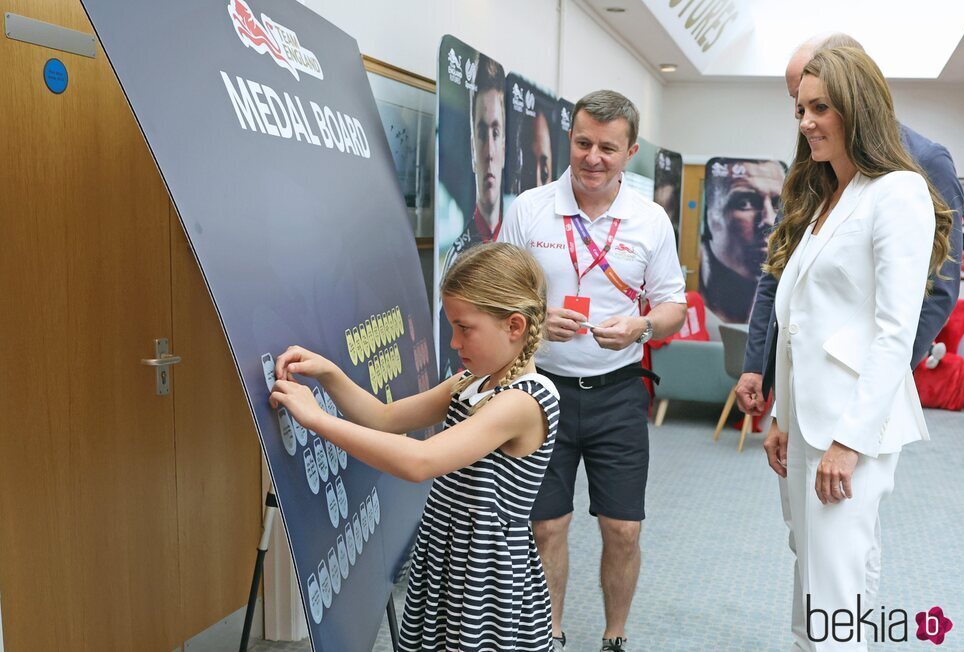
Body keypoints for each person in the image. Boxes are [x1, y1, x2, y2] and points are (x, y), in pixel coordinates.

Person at [733, 35, 963, 648]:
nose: (805, 122)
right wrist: (780, 412)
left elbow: (894, 331)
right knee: (816, 580)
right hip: (808, 420)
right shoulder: (827, 197)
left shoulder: (899, 192)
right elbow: (796, 310)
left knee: (835, 593)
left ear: (858, 107)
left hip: (850, 428)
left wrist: (849, 441)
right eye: (800, 108)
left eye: (820, 108)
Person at [270, 243, 559, 651]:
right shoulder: (470, 382)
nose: (455, 343)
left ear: (514, 326)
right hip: (447, 552)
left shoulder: (524, 400)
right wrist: (328, 373)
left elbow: (421, 461)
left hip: (485, 573)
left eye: (465, 328)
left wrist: (318, 419)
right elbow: (384, 418)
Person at [499, 90, 687, 652]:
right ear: (570, 141)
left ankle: (613, 637)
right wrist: (532, 319)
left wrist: (642, 327)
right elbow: (495, 294)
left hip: (619, 393)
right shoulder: (529, 209)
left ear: (630, 151)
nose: (592, 157)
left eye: (608, 147)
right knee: (546, 526)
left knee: (623, 529)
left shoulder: (650, 220)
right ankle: (549, 636)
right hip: (539, 394)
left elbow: (673, 307)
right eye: (583, 143)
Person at [438, 55, 507, 379]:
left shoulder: (519, 234)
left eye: (496, 132)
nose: (489, 150)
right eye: (482, 133)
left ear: (506, 146)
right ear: (472, 147)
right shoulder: (460, 256)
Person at [700, 159, 785, 323]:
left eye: (778, 204)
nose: (769, 220)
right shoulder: (691, 309)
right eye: (745, 203)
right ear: (709, 217)